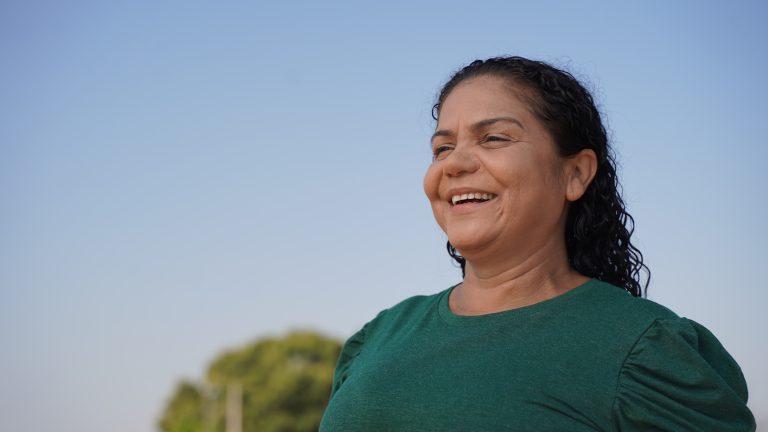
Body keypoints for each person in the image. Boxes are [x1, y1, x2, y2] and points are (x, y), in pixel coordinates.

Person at [319, 56, 755, 431]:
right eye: (442, 147)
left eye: (493, 138)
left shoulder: (646, 350)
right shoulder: (377, 338)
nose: (455, 163)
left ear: (575, 175)